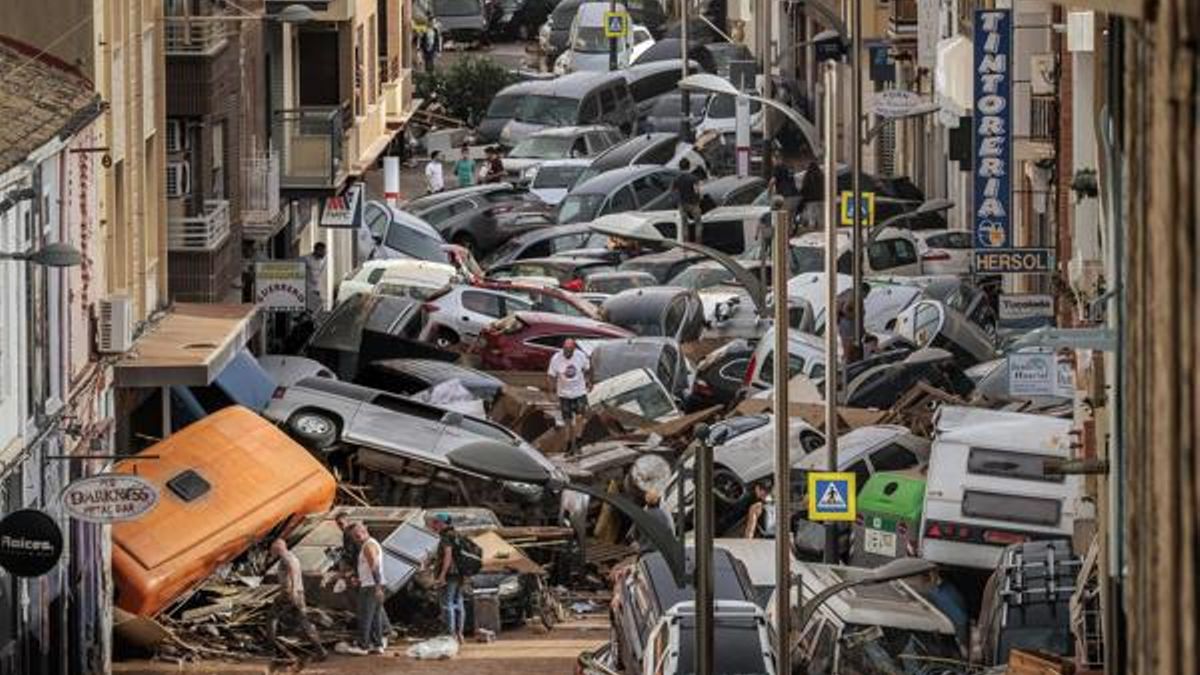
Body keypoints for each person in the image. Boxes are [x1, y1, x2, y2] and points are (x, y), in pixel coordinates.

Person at [267, 539, 327, 659]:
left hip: (289, 594)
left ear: (278, 548)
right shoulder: (292, 556)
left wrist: (293, 590)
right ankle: (320, 651)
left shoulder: (286, 558)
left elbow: (292, 570)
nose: (272, 552)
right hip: (297, 594)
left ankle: (271, 648)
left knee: (271, 617)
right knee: (304, 622)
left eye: (273, 549)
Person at [546, 338, 591, 455]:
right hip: (564, 394)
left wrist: (590, 381)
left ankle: (578, 442)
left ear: (574, 349)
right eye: (565, 350)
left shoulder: (580, 356)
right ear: (563, 348)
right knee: (568, 421)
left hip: (579, 392)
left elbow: (588, 369)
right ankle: (569, 445)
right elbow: (551, 376)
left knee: (580, 417)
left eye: (569, 351)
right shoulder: (556, 358)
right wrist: (551, 391)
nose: (567, 353)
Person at [353, 523, 390, 655]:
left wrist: (378, 586)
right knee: (375, 617)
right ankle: (378, 644)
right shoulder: (370, 544)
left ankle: (363, 646)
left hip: (371, 586)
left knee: (365, 616)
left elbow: (374, 565)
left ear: (365, 531)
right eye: (355, 536)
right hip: (371, 584)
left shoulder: (368, 545)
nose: (356, 538)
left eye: (358, 535)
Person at [430, 514, 466, 643]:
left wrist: (442, 575)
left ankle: (451, 635)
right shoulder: (457, 534)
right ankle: (460, 634)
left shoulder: (446, 536)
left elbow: (448, 556)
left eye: (435, 522)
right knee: (458, 602)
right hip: (460, 574)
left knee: (447, 604)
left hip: (449, 574)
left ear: (442, 523)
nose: (433, 525)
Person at [674, 158, 702, 242]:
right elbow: (697, 191)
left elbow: (675, 191)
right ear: (689, 167)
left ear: (680, 167)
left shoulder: (677, 179)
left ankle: (686, 245)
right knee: (698, 223)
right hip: (693, 203)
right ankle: (698, 243)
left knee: (684, 225)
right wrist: (699, 199)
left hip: (682, 204)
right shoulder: (693, 178)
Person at [302, 242, 327, 313]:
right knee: (310, 310)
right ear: (316, 250)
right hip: (306, 289)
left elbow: (319, 273)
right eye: (322, 251)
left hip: (316, 289)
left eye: (324, 251)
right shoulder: (306, 259)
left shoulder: (323, 261)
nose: (324, 253)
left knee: (316, 310)